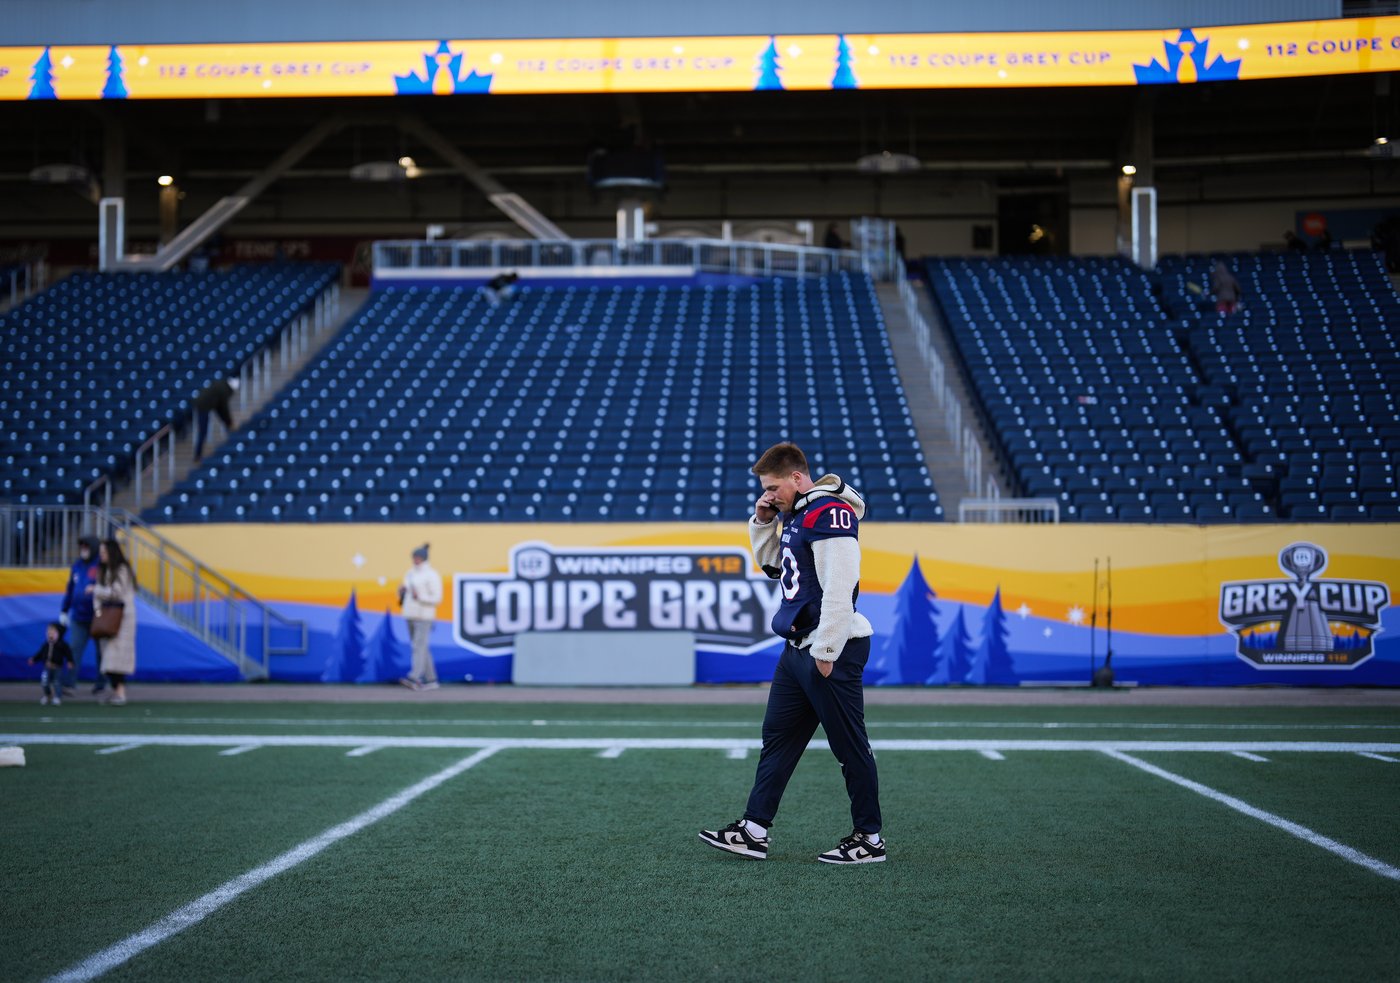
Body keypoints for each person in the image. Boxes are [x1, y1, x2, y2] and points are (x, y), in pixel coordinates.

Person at [699, 442, 885, 864]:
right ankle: (754, 829)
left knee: (850, 747)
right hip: (798, 647)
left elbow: (842, 589)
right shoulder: (798, 514)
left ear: (798, 478)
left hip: (830, 648)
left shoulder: (829, 513)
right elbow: (776, 570)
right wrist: (763, 523)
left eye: (773, 487)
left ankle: (870, 839)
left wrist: (828, 649)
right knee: (777, 740)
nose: (769, 495)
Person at [90, 539, 136, 706]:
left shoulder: (122, 569)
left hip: (122, 618)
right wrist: (97, 608)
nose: (101, 555)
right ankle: (116, 691)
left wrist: (95, 590)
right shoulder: (103, 570)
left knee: (116, 658)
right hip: (106, 618)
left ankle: (120, 692)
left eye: (104, 552)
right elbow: (99, 595)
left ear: (112, 552)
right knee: (108, 658)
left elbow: (116, 593)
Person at [59, 534, 101, 696]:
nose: (83, 550)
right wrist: (64, 610)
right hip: (78, 616)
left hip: (97, 616)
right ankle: (69, 683)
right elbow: (70, 589)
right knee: (74, 649)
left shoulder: (100, 565)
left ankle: (101, 683)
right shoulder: (77, 566)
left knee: (101, 652)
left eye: (86, 546)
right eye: (81, 546)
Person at [398, 543, 443, 691]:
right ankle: (431, 679)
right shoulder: (410, 573)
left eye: (418, 557)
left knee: (418, 646)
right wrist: (402, 592)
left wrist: (420, 596)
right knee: (421, 648)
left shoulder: (431, 574)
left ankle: (414, 677)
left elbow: (437, 597)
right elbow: (406, 594)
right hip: (410, 614)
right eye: (414, 557)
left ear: (423, 558)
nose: (415, 559)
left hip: (424, 616)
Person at [192, 376, 240, 463]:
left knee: (203, 432)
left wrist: (228, 422)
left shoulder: (221, 385)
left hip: (203, 405)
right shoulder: (224, 390)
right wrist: (229, 422)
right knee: (203, 432)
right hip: (203, 407)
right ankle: (197, 456)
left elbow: (220, 408)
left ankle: (198, 455)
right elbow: (223, 408)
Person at [30, 622, 75, 706]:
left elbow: (68, 653)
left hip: (57, 668)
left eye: (53, 632)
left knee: (57, 682)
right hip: (47, 667)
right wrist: (34, 659)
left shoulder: (62, 645)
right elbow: (40, 654)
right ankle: (48, 695)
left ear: (59, 634)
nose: (50, 634)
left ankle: (57, 697)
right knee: (44, 682)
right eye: (48, 632)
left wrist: (70, 661)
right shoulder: (46, 645)